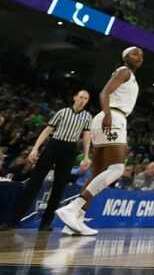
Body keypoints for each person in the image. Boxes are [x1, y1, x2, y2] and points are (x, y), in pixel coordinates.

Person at [55, 47, 144, 236]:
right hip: (113, 116)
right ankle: (73, 208)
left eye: (141, 55)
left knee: (97, 174)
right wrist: (109, 115)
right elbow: (104, 93)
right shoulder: (124, 71)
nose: (139, 57)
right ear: (125, 57)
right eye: (135, 53)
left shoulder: (130, 76)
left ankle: (74, 219)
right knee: (117, 169)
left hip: (109, 117)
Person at [1, 90, 92, 231]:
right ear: (75, 97)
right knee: (34, 183)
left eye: (85, 98)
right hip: (54, 145)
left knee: (59, 187)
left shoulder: (87, 117)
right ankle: (13, 221)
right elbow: (47, 130)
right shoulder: (62, 112)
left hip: (69, 150)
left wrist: (86, 156)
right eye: (81, 97)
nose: (82, 100)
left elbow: (86, 136)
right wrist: (35, 148)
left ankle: (46, 223)